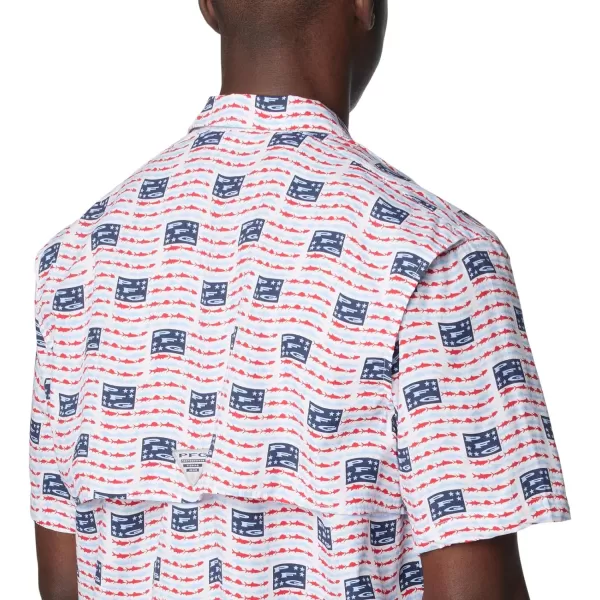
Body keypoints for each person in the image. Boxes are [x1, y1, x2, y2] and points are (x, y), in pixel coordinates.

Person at [29, 1, 570, 599]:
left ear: (208, 6)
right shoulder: (437, 259)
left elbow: (61, 584)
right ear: (363, 3)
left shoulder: (75, 262)